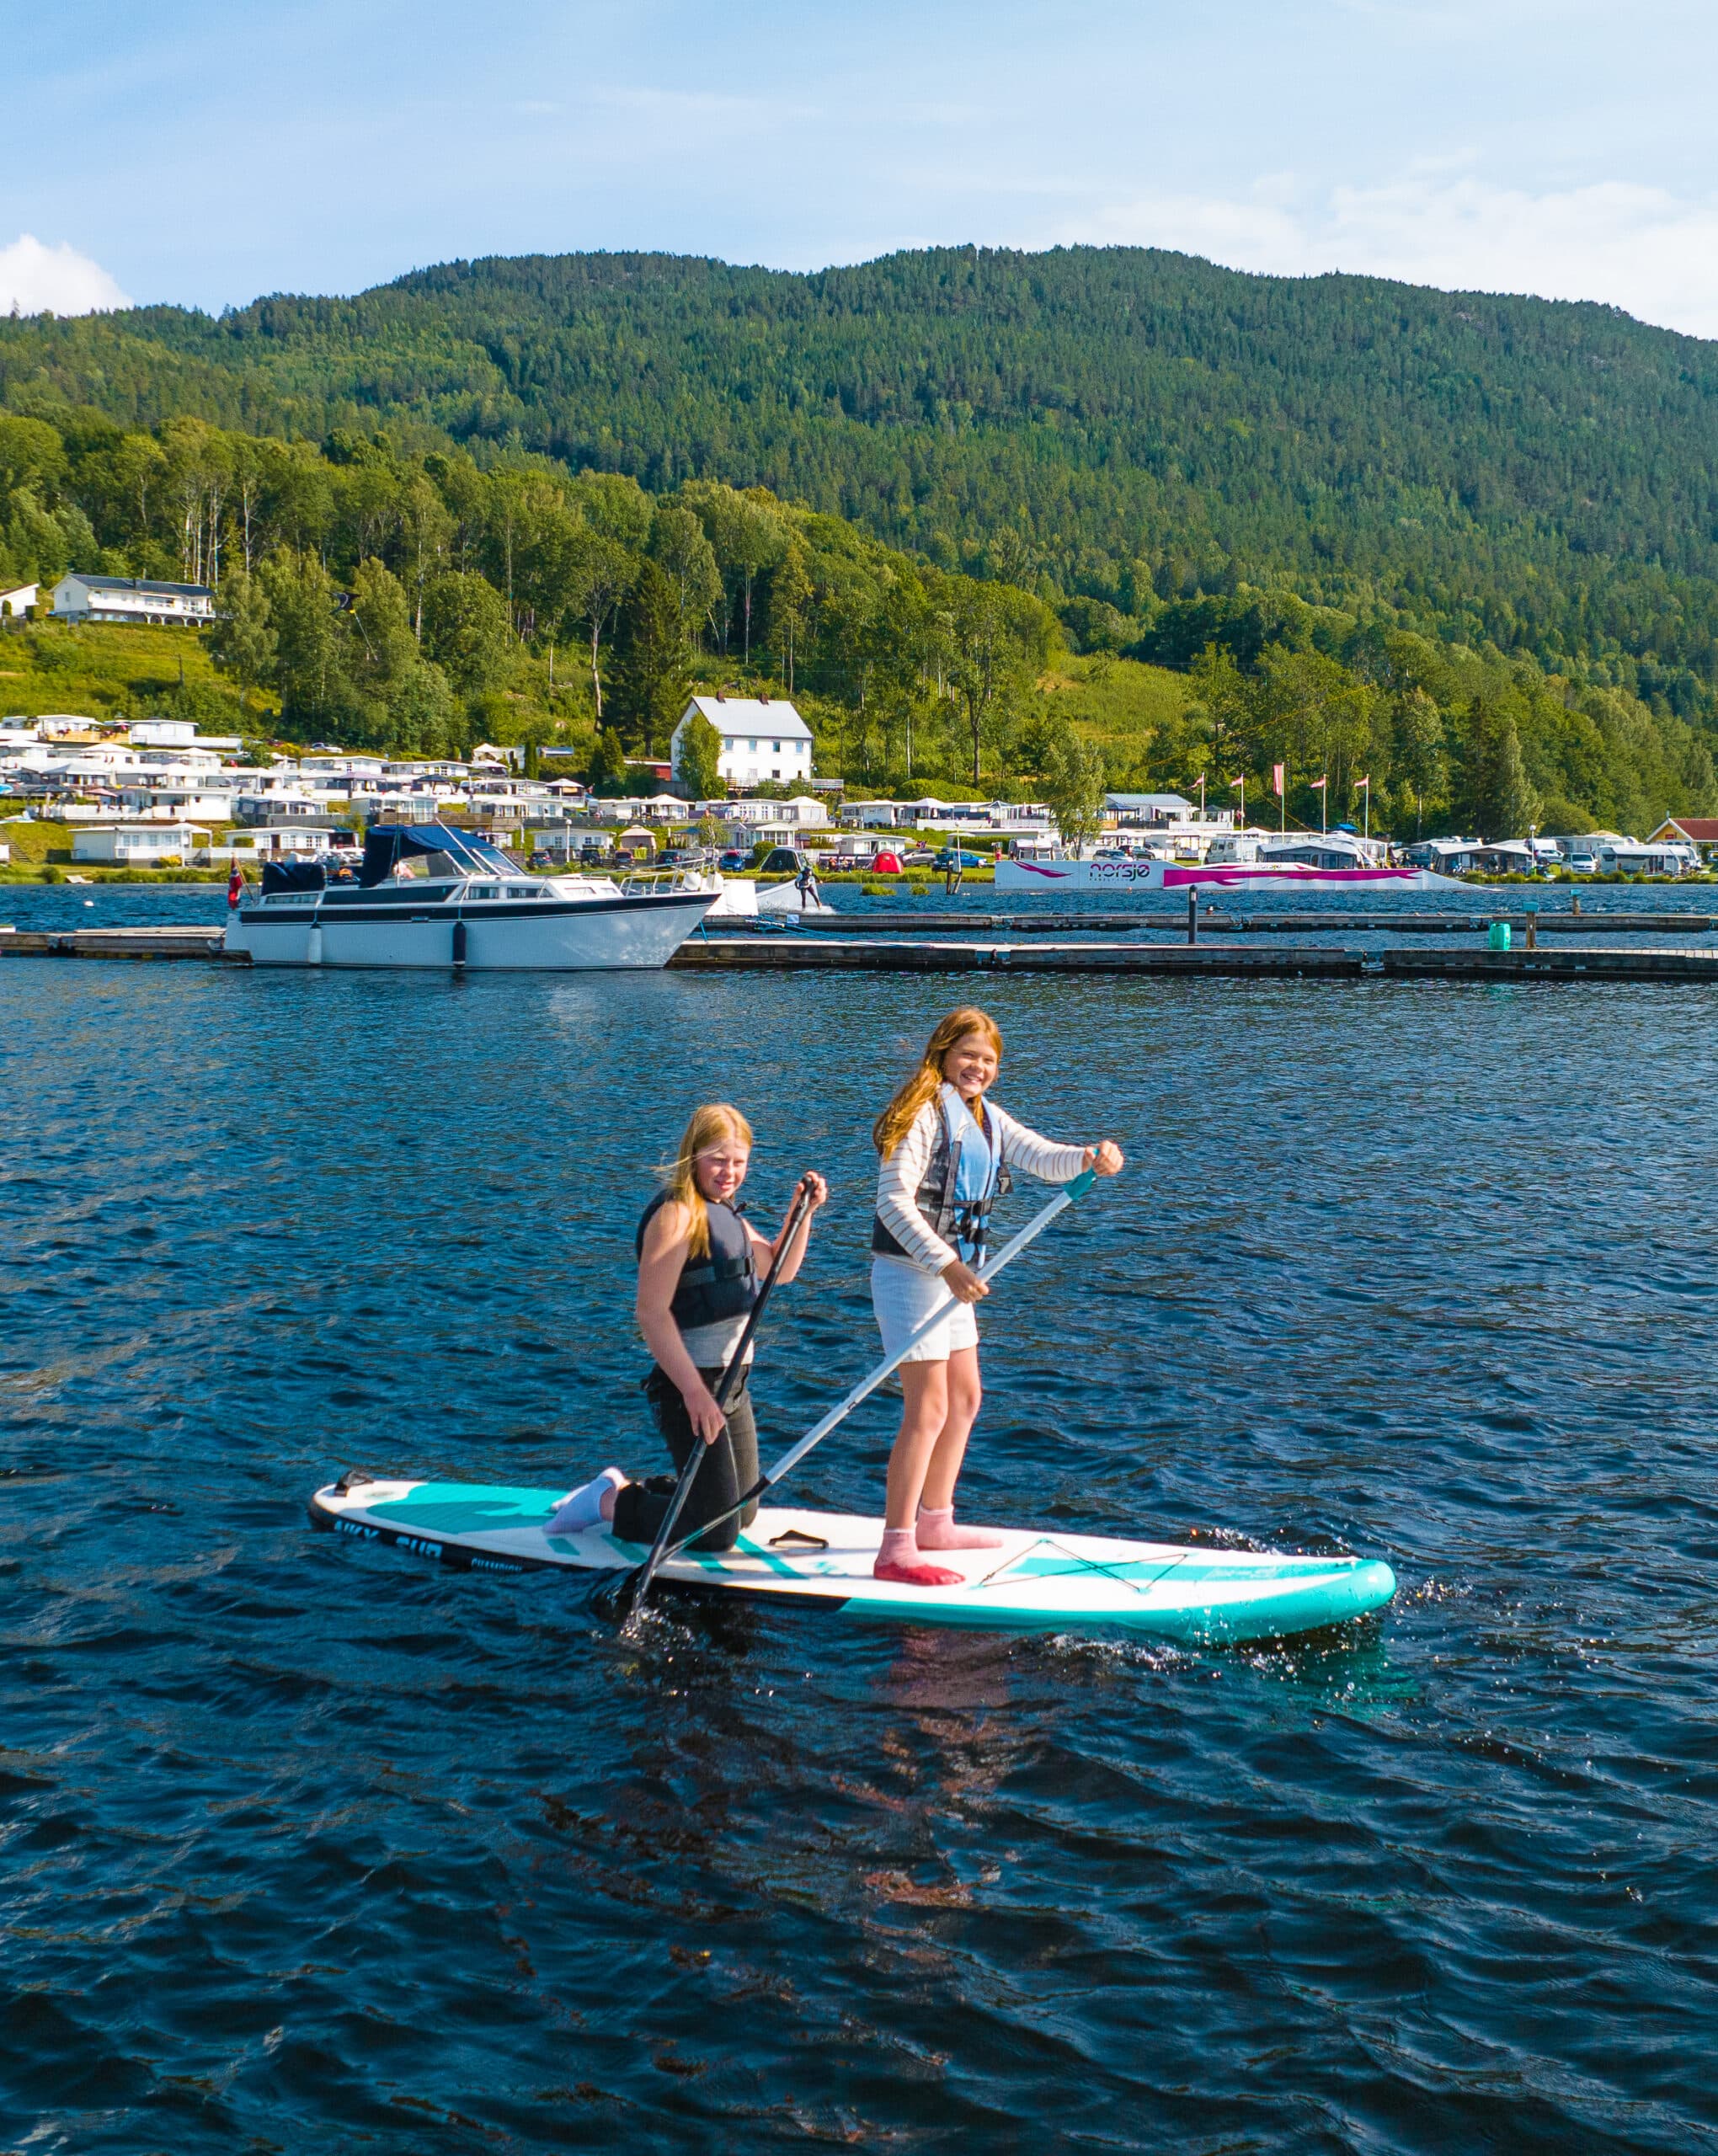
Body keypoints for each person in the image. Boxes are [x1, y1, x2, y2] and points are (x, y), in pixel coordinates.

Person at [868, 1006, 1124, 1588]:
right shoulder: (922, 1115)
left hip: (952, 1278)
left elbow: (1042, 1156)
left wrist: (1090, 1157)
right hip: (912, 1274)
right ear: (942, 1054)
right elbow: (892, 1202)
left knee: (965, 1399)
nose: (977, 1067)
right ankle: (895, 1548)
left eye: (987, 1060)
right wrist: (948, 1264)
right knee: (927, 1408)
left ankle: (936, 1522)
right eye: (967, 1055)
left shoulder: (988, 1118)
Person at [547, 1104, 827, 1550]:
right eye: (718, 1159)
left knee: (743, 1511)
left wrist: (801, 1213)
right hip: (689, 1388)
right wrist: (695, 1392)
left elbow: (781, 1271)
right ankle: (606, 1502)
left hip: (732, 1384)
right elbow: (651, 1313)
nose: (729, 1172)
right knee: (717, 1532)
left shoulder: (727, 1213)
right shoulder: (677, 1217)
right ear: (693, 1155)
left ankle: (659, 1492)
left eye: (739, 1162)